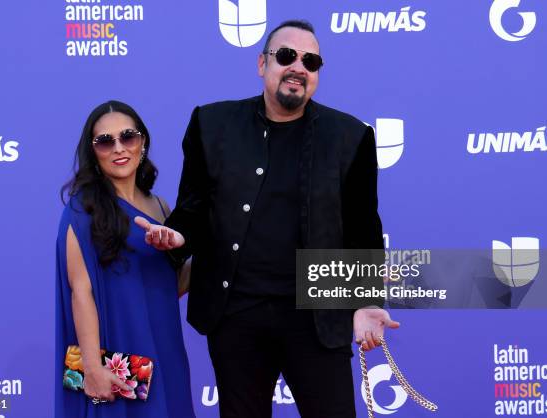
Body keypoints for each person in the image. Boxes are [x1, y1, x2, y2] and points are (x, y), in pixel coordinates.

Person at [135, 20, 399, 418]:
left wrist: (364, 303)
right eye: (286, 56)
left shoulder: (350, 137)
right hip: (236, 313)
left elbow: (363, 227)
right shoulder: (212, 125)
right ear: (262, 64)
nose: (298, 67)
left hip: (316, 318)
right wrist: (177, 238)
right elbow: (193, 211)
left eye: (310, 61)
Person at [54, 100, 195, 418]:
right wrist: (91, 366)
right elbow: (81, 291)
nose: (119, 148)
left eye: (128, 136)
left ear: (142, 142)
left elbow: (170, 285)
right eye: (105, 141)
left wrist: (217, 255)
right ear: (93, 152)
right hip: (116, 354)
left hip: (165, 347)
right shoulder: (81, 210)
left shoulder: (161, 207)